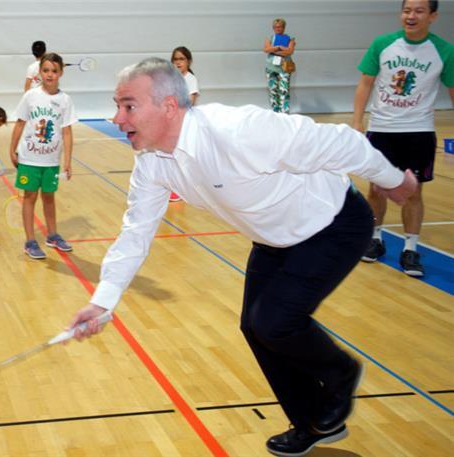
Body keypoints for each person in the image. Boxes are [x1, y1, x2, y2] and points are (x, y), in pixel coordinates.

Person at [65, 58, 417, 456]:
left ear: (168, 106)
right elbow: (135, 232)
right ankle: (310, 422)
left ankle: (341, 372)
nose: (116, 117)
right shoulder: (151, 163)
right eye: (117, 105)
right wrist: (102, 302)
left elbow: (343, 142)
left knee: (274, 322)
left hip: (332, 224)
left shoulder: (238, 131)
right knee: (255, 328)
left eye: (128, 106)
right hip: (271, 238)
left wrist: (392, 181)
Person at [353, 0, 452, 277]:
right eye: (407, 10)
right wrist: (358, 120)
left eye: (419, 11)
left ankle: (410, 249)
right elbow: (365, 83)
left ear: (432, 16)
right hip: (383, 129)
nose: (411, 16)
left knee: (414, 192)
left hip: (419, 131)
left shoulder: (444, 50)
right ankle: (374, 239)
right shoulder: (382, 44)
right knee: (376, 189)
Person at [9, 53, 77, 260]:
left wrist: (67, 160)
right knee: (29, 197)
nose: (50, 74)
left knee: (49, 197)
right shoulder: (30, 96)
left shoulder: (65, 100)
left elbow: (67, 131)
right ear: (40, 72)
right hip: (29, 158)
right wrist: (12, 149)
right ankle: (30, 241)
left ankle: (52, 235)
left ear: (61, 73)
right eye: (46, 70)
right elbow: (20, 123)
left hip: (51, 160)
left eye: (54, 71)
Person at [169, 46, 200, 202]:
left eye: (182, 59)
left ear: (189, 61)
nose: (178, 62)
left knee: (180, 156)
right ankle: (176, 188)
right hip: (172, 122)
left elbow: (191, 101)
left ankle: (180, 190)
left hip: (184, 122)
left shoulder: (190, 79)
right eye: (175, 59)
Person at [262, 18, 296, 113]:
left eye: (280, 27)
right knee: (273, 91)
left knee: (284, 91)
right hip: (271, 67)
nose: (277, 29)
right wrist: (278, 47)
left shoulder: (290, 39)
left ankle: (284, 114)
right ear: (273, 28)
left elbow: (289, 51)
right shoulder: (269, 38)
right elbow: (266, 50)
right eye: (275, 27)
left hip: (284, 67)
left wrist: (274, 50)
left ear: (284, 27)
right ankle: (275, 113)